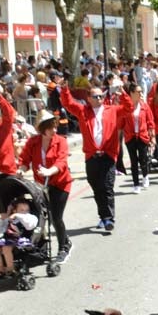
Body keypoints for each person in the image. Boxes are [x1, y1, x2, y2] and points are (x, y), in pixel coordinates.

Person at [59, 80, 123, 232]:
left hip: (108, 154)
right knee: (97, 187)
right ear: (89, 98)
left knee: (107, 186)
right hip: (91, 156)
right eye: (95, 97)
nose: (99, 99)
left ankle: (108, 218)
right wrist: (64, 88)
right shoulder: (83, 111)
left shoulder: (111, 110)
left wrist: (123, 94)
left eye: (101, 96)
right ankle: (103, 216)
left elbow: (128, 108)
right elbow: (68, 103)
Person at [18, 110, 72, 263]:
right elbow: (25, 160)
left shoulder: (60, 141)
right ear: (42, 128)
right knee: (40, 217)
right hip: (41, 186)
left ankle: (64, 247)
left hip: (60, 183)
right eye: (50, 127)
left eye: (55, 127)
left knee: (56, 217)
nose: (54, 130)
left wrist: (49, 171)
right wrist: (21, 170)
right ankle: (40, 247)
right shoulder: (33, 142)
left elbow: (61, 161)